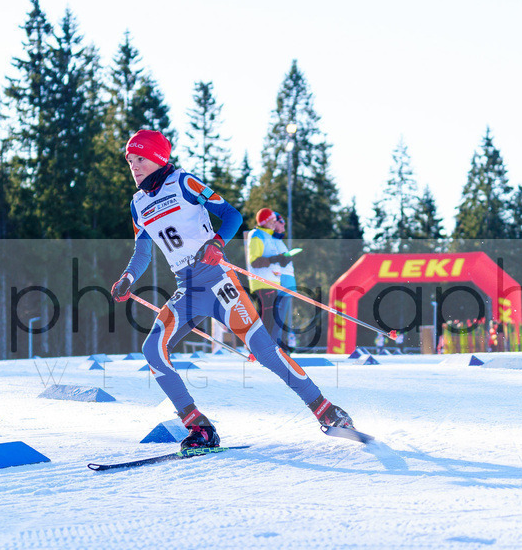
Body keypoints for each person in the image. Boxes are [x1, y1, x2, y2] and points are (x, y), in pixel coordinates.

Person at [111, 129, 354, 450]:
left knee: (265, 352)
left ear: (158, 157)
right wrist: (128, 277)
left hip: (218, 280)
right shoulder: (138, 204)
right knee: (152, 350)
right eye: (130, 160)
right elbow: (142, 252)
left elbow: (231, 215)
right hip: (188, 288)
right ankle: (199, 429)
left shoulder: (184, 182)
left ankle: (325, 410)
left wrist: (216, 242)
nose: (134, 166)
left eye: (140, 158)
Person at [245, 208, 295, 351]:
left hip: (273, 282)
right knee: (267, 318)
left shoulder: (270, 236)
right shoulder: (257, 235)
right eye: (272, 221)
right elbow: (254, 261)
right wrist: (275, 259)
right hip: (262, 282)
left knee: (272, 319)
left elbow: (274, 257)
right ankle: (257, 348)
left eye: (275, 221)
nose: (274, 224)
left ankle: (263, 347)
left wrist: (282, 259)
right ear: (265, 222)